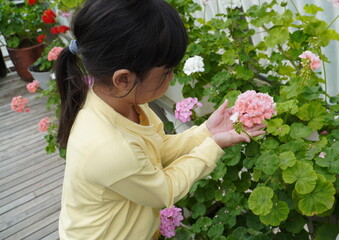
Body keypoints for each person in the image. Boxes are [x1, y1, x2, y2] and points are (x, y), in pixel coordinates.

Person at [55, 0, 265, 239]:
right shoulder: (107, 146)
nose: (172, 76)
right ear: (123, 79)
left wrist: (207, 131)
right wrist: (213, 146)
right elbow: (164, 189)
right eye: (166, 71)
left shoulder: (126, 101)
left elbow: (158, 148)